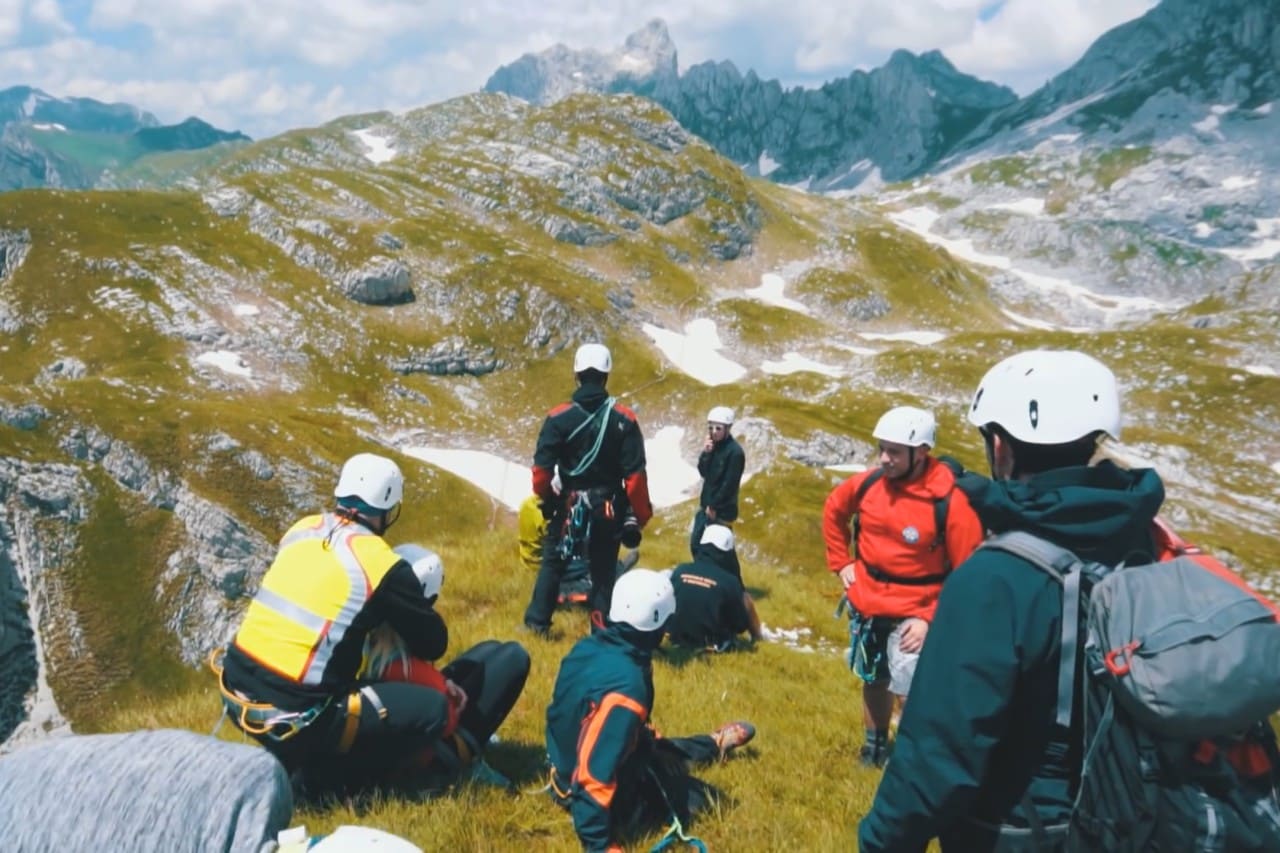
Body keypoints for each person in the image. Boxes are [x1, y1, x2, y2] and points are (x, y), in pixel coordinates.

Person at [857, 350, 1167, 851]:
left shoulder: (996, 577)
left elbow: (938, 751)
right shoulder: (1142, 540)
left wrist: (881, 841)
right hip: (1127, 814)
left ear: (1000, 446)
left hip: (1021, 829)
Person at [217, 453, 486, 796]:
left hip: (236, 685)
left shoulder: (302, 528)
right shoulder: (381, 563)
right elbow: (434, 644)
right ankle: (334, 786)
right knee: (431, 710)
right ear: (389, 508)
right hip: (297, 714)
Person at [545, 569, 757, 852]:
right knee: (706, 798)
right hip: (578, 791)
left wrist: (632, 731)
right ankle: (706, 749)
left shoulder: (589, 647)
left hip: (563, 765)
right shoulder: (627, 688)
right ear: (658, 625)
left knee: (654, 745)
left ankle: (711, 744)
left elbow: (577, 714)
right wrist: (601, 845)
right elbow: (592, 777)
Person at [822, 406, 983, 768]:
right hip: (867, 603)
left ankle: (916, 758)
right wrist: (842, 562)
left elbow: (968, 572)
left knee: (911, 689)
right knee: (873, 678)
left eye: (894, 451)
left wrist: (930, 618)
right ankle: (874, 748)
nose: (884, 458)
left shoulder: (951, 502)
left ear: (921, 452)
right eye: (882, 448)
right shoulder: (868, 485)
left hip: (916, 611)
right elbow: (834, 509)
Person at [363, 544, 530, 790]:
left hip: (401, 727)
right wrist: (444, 690)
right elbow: (444, 717)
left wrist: (442, 683)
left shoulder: (373, 643)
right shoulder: (401, 666)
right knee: (515, 657)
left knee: (489, 649)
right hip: (432, 753)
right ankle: (468, 765)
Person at [524, 343, 652, 636]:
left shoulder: (558, 418)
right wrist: (640, 515)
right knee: (604, 569)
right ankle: (600, 628)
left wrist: (548, 497)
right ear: (606, 377)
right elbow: (635, 478)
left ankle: (537, 624)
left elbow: (542, 473)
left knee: (553, 563)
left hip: (568, 504)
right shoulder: (625, 419)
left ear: (576, 376)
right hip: (608, 506)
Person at [666, 525, 762, 652]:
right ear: (728, 551)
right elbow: (739, 625)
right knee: (745, 598)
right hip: (712, 645)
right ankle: (759, 639)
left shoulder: (680, 570)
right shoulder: (730, 582)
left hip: (675, 638)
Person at [691, 406, 745, 557]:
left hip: (722, 511)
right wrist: (706, 453)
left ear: (727, 429)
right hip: (707, 507)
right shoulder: (712, 447)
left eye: (718, 428)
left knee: (718, 551)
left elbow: (729, 484)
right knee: (696, 544)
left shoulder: (735, 453)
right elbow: (703, 472)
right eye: (711, 428)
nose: (714, 431)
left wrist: (714, 506)